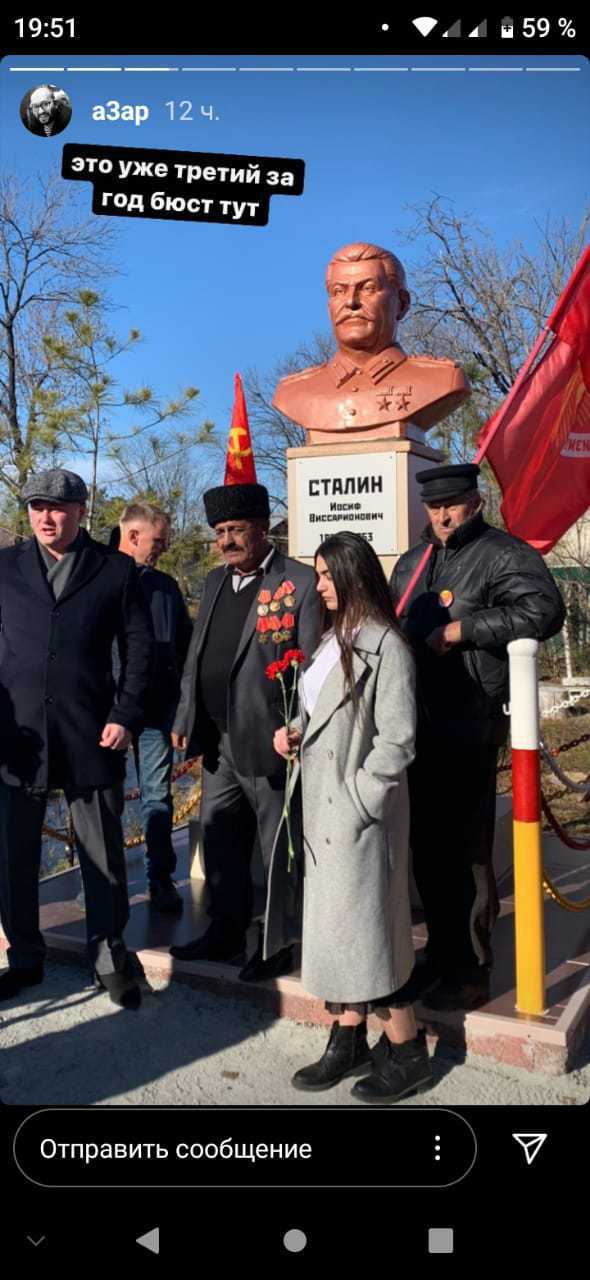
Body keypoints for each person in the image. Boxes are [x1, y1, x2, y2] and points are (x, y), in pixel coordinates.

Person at [390, 462, 566, 1011]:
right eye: (433, 506)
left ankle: (470, 966)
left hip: (469, 716)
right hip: (413, 718)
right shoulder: (413, 561)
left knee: (466, 847)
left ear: (476, 502)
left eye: (452, 505)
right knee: (426, 846)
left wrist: (463, 629)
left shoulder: (504, 554)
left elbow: (544, 611)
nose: (442, 516)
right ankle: (441, 951)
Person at [268, 530, 432, 1103]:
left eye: (324, 574)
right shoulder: (330, 639)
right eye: (316, 574)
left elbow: (398, 740)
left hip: (359, 819)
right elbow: (319, 713)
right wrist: (293, 731)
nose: (317, 586)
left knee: (370, 938)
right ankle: (347, 1037)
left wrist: (360, 800)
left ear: (352, 573)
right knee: (340, 934)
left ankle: (408, 1050)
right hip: (321, 812)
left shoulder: (387, 646)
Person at [0, 469, 154, 1009]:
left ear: (81, 511)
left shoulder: (115, 569)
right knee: (14, 856)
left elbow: (140, 649)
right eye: (37, 506)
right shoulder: (4, 567)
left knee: (103, 854)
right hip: (19, 741)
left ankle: (110, 957)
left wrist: (126, 714)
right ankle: (24, 957)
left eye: (58, 507)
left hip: (93, 733)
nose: (46, 517)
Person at [169, 481, 319, 981]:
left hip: (268, 738)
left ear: (261, 527)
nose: (225, 541)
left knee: (276, 847)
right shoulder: (215, 580)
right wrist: (185, 716)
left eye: (235, 529)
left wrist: (296, 726)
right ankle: (225, 931)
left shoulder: (298, 582)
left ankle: (279, 942)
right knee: (220, 840)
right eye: (219, 532)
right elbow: (196, 656)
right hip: (216, 741)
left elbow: (311, 666)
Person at [273, 242, 470, 445]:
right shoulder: (292, 392)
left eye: (368, 288)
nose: (351, 302)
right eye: (338, 291)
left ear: (402, 303)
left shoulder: (442, 379)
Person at [116, 501, 192, 913]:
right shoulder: (97, 577)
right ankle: (104, 883)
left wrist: (182, 709)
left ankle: (160, 880)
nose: (163, 548)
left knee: (157, 798)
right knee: (104, 800)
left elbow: (185, 648)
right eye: (158, 541)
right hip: (108, 714)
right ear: (133, 536)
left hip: (157, 712)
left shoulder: (166, 587)